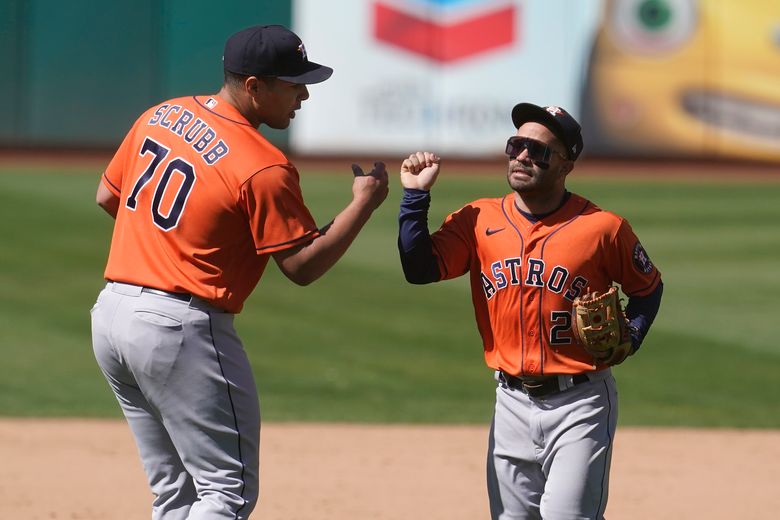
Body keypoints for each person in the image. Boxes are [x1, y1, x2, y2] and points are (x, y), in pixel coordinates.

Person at [90, 24, 388, 519]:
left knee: (174, 492)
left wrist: (175, 241)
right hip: (179, 329)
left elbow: (108, 196)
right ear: (254, 86)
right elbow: (302, 266)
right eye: (294, 84)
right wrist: (364, 204)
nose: (305, 94)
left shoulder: (161, 114)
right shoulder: (262, 164)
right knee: (226, 492)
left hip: (111, 315)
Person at [397, 103, 663, 519]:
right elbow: (419, 269)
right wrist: (415, 196)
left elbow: (648, 288)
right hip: (510, 403)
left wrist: (633, 333)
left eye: (538, 150)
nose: (522, 156)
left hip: (581, 403)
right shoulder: (478, 219)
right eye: (516, 145)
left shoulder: (602, 228)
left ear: (566, 165)